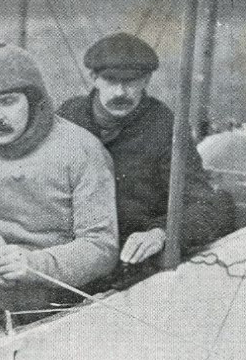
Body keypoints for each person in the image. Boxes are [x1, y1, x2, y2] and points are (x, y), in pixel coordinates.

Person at [0, 43, 119, 329]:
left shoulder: (80, 150)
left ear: (35, 100)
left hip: (56, 288)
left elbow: (101, 247)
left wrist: (32, 265)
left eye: (8, 101)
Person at [57, 33, 235, 282]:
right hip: (69, 248)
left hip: (129, 260)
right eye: (110, 80)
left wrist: (159, 233)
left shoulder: (165, 127)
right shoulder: (68, 117)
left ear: (147, 79)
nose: (121, 92)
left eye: (132, 82)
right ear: (94, 78)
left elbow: (205, 205)